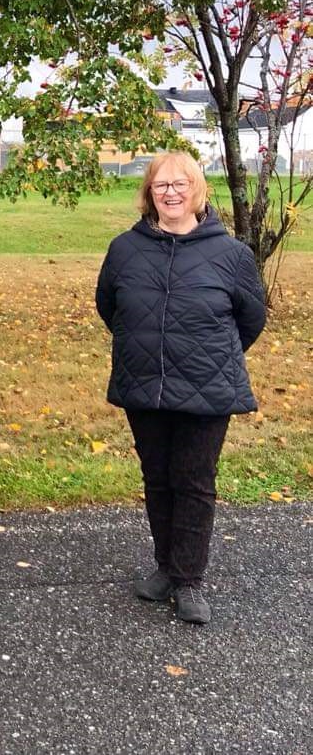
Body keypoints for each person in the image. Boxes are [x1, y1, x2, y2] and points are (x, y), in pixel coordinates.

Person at [95, 151, 267, 624]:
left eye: (180, 184)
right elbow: (110, 306)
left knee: (194, 482)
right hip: (145, 383)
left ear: (197, 190)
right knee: (157, 479)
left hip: (207, 387)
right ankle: (165, 568)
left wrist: (206, 355)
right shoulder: (125, 249)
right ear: (148, 194)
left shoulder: (232, 255)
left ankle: (189, 579)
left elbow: (251, 320)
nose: (170, 193)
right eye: (160, 186)